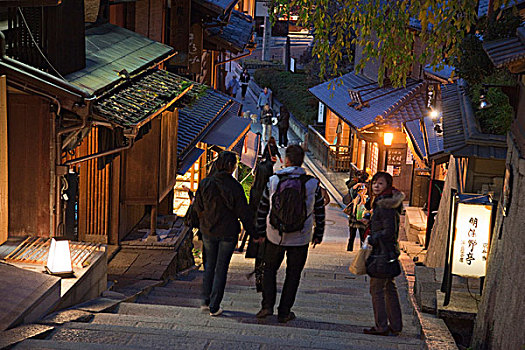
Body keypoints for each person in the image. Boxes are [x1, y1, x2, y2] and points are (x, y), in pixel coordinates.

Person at [254, 145, 325, 323]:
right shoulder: (312, 183)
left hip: (274, 235)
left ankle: (266, 307)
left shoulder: (273, 181)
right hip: (300, 237)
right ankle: (284, 312)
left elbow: (263, 209)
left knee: (269, 270)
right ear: (302, 160)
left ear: (286, 160)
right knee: (293, 275)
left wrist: (261, 232)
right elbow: (319, 211)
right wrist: (319, 233)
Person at [193, 151, 255, 316]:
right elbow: (244, 212)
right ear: (232, 166)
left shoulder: (205, 183)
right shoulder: (235, 187)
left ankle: (206, 300)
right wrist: (254, 232)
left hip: (208, 230)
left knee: (209, 266)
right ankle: (214, 306)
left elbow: (197, 207)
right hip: (228, 232)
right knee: (221, 268)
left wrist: (203, 221)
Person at [363, 171, 404, 336]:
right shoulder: (386, 202)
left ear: (387, 185)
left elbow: (389, 231)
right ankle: (396, 324)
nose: (376, 186)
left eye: (380, 183)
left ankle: (381, 326)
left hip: (382, 252)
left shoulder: (384, 204)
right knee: (389, 287)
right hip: (388, 251)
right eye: (374, 183)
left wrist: (373, 237)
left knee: (377, 289)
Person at [246, 157, 275, 292]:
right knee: (268, 256)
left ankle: (258, 279)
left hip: (256, 225)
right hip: (269, 227)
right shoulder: (272, 190)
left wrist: (251, 230)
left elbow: (251, 210)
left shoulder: (254, 190)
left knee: (259, 255)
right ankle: (265, 279)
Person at [342, 171, 369, 251]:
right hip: (361, 212)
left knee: (353, 234)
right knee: (361, 234)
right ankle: (361, 250)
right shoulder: (358, 186)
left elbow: (351, 192)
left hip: (357, 212)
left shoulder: (357, 186)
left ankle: (351, 249)